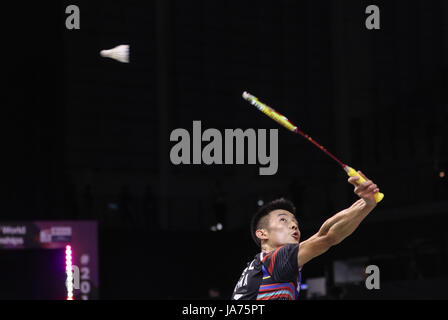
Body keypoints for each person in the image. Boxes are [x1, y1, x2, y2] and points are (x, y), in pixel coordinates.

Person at [231, 171, 381, 300]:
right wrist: (367, 204)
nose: (293, 225)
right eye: (283, 220)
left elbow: (321, 234)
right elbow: (327, 237)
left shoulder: (260, 267)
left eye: (294, 221)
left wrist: (366, 202)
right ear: (262, 233)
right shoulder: (275, 260)